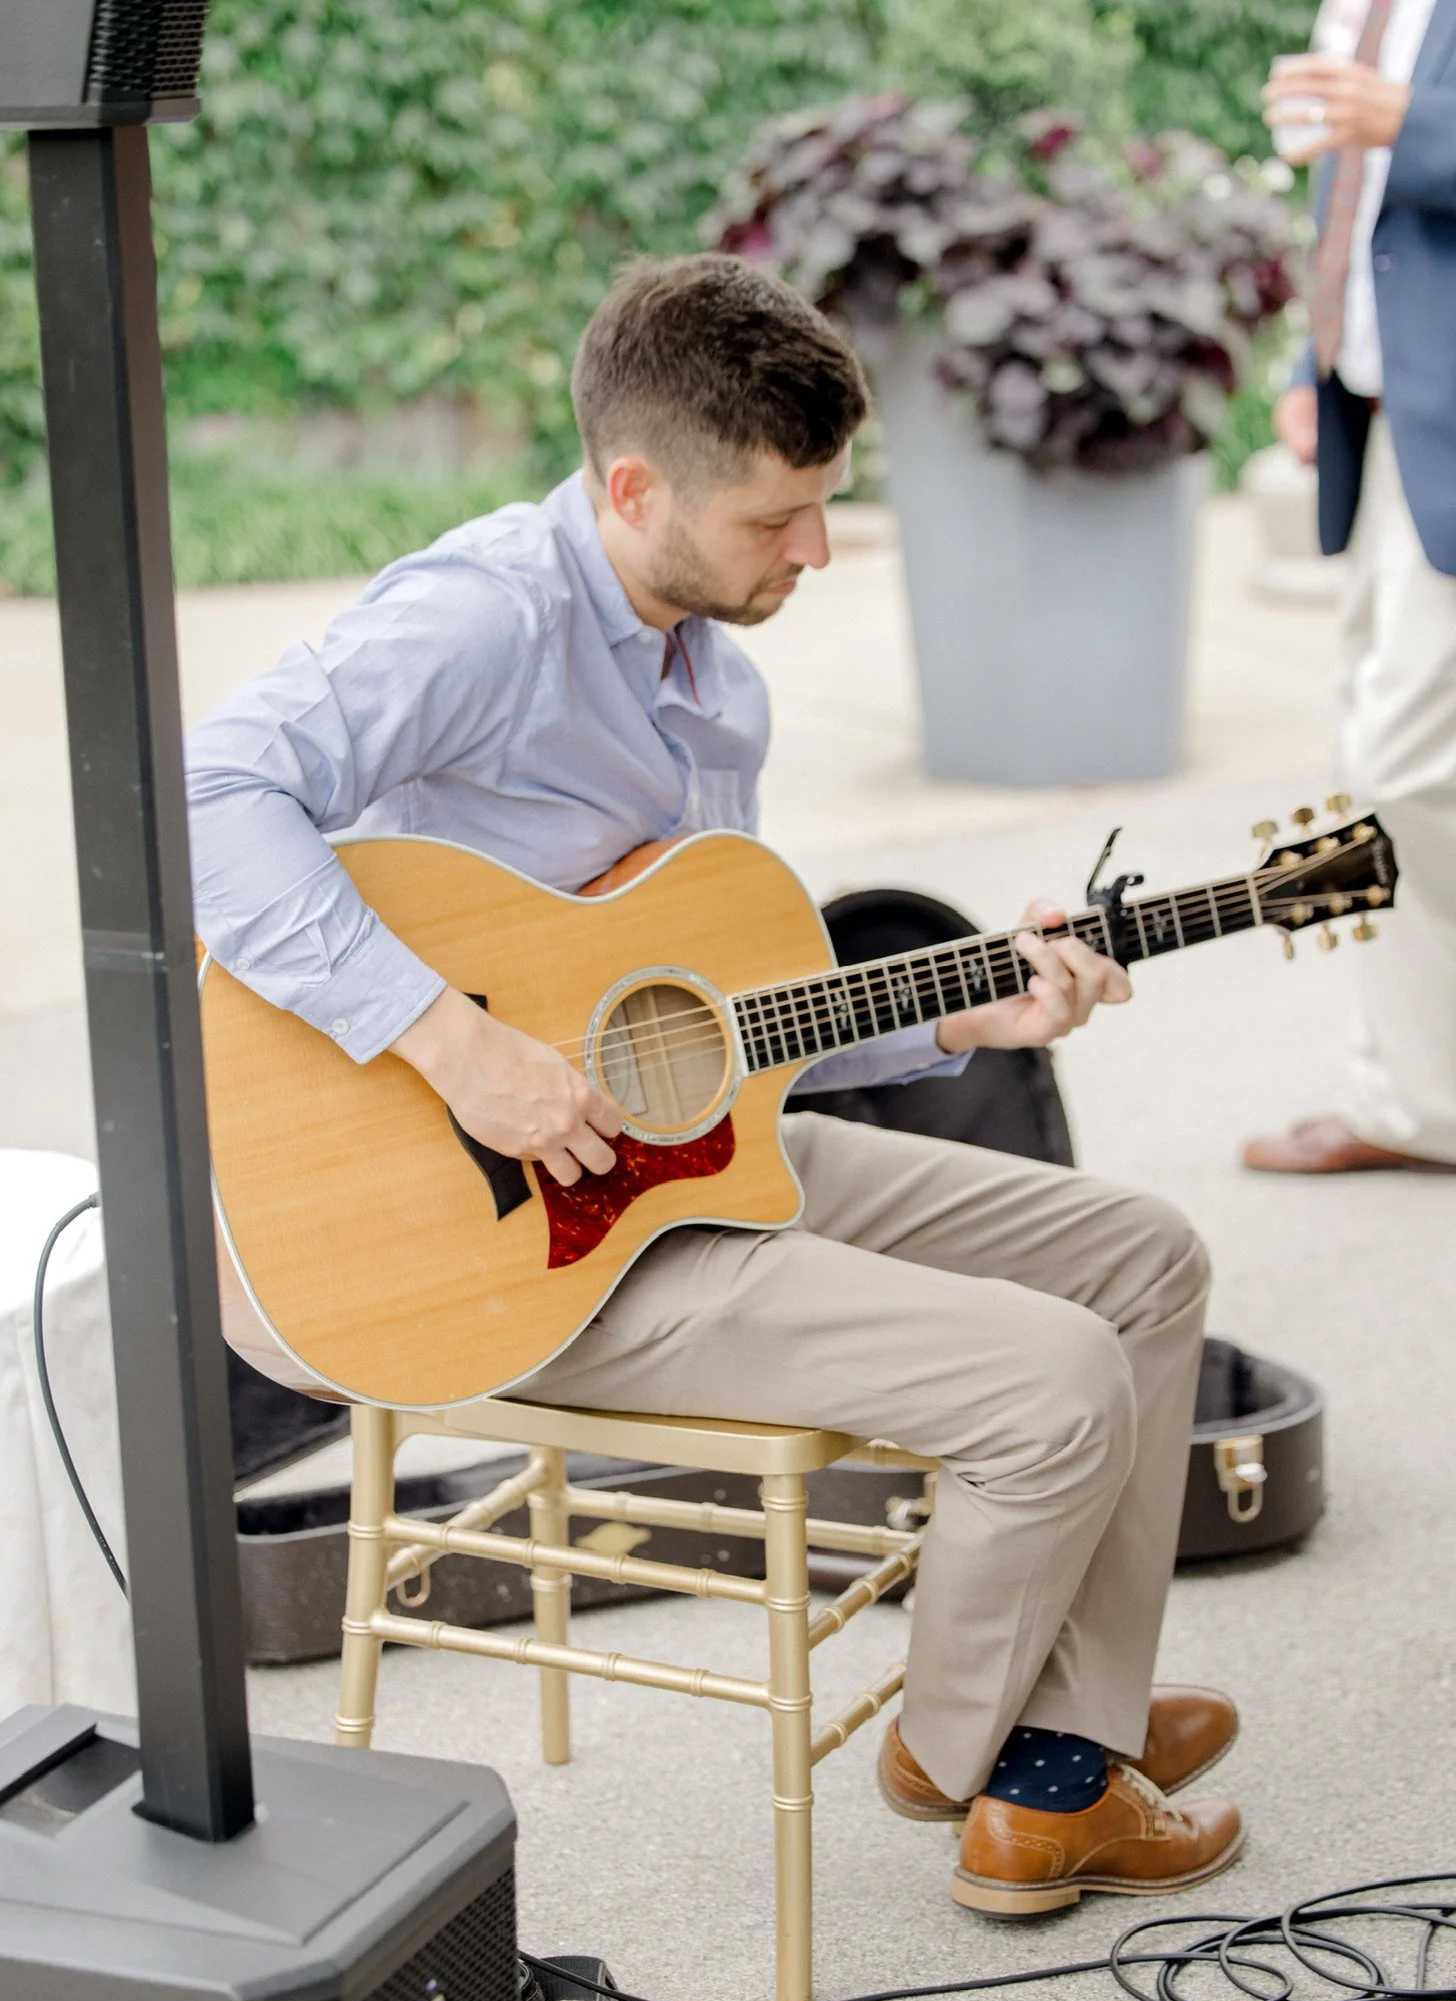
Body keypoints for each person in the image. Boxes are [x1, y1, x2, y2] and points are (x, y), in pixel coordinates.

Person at [187, 255, 1242, 1915]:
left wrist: (968, 1019)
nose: (815, 550)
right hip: (517, 1251)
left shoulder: (712, 690)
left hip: (684, 1174)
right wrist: (454, 1045)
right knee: (1055, 1379)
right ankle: (977, 1765)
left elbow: (727, 1025)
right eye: (777, 519)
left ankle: (1068, 1737)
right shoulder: (484, 618)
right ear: (631, 487)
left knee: (1145, 1257)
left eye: (826, 507)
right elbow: (206, 792)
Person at [1249, 1, 1456, 1173]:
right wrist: (1312, 361)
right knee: (1365, 767)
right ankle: (1406, 1093)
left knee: (1398, 768)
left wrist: (1415, 122)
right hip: (1386, 429)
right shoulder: (1359, 4)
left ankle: (1415, 1096)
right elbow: (1350, 205)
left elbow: (1391, 141)